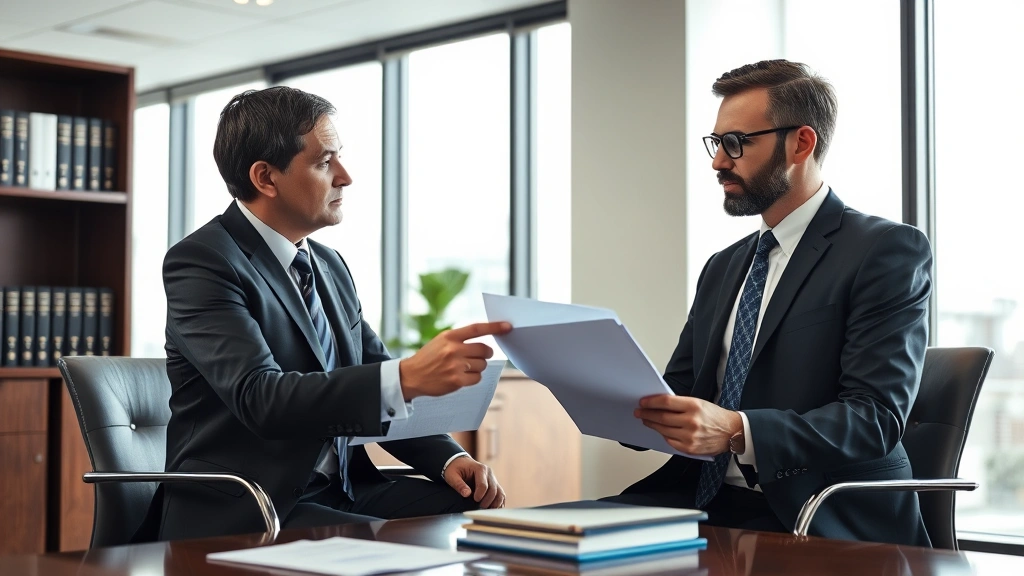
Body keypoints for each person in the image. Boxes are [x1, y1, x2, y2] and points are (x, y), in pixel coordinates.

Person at [154, 86, 511, 541]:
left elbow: (371, 373)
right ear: (266, 178)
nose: (345, 176)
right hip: (253, 501)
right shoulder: (204, 261)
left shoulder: (329, 265)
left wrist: (448, 458)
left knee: (469, 512)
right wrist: (404, 377)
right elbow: (259, 397)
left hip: (341, 488)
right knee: (390, 546)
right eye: (325, 162)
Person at [605, 60, 932, 546]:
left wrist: (738, 430)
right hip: (701, 500)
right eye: (716, 144)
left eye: (736, 143)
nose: (718, 162)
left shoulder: (884, 251)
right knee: (541, 544)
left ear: (801, 143)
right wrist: (599, 393)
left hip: (816, 509)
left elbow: (874, 418)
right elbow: (679, 390)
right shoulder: (723, 266)